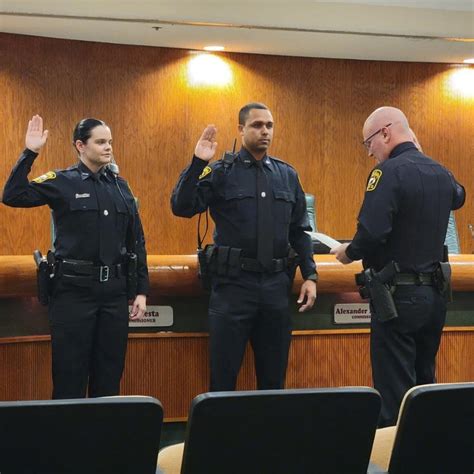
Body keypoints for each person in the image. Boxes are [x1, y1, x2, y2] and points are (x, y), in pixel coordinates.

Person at [331, 106, 465, 426]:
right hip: (434, 299)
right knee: (424, 386)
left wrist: (349, 252)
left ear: (386, 133)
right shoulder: (440, 171)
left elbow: (373, 232)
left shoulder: (387, 172)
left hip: (397, 300)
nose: (370, 153)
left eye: (369, 144)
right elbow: (458, 196)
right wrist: (424, 159)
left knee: (395, 394)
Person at [171, 102, 317, 391]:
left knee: (273, 379)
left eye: (269, 126)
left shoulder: (287, 175)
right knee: (224, 378)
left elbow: (300, 230)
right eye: (257, 125)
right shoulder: (221, 172)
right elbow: (182, 206)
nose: (264, 131)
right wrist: (198, 162)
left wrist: (310, 275)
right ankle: (223, 437)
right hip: (233, 287)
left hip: (275, 287)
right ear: (241, 129)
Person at [2, 115, 149, 399]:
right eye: (101, 142)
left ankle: (101, 441)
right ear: (80, 145)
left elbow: (136, 240)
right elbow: (13, 195)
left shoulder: (121, 187)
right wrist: (30, 153)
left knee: (109, 377)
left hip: (113, 296)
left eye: (110, 142)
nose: (109, 147)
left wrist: (141, 290)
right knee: (70, 377)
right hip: (73, 295)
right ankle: (67, 443)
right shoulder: (62, 181)